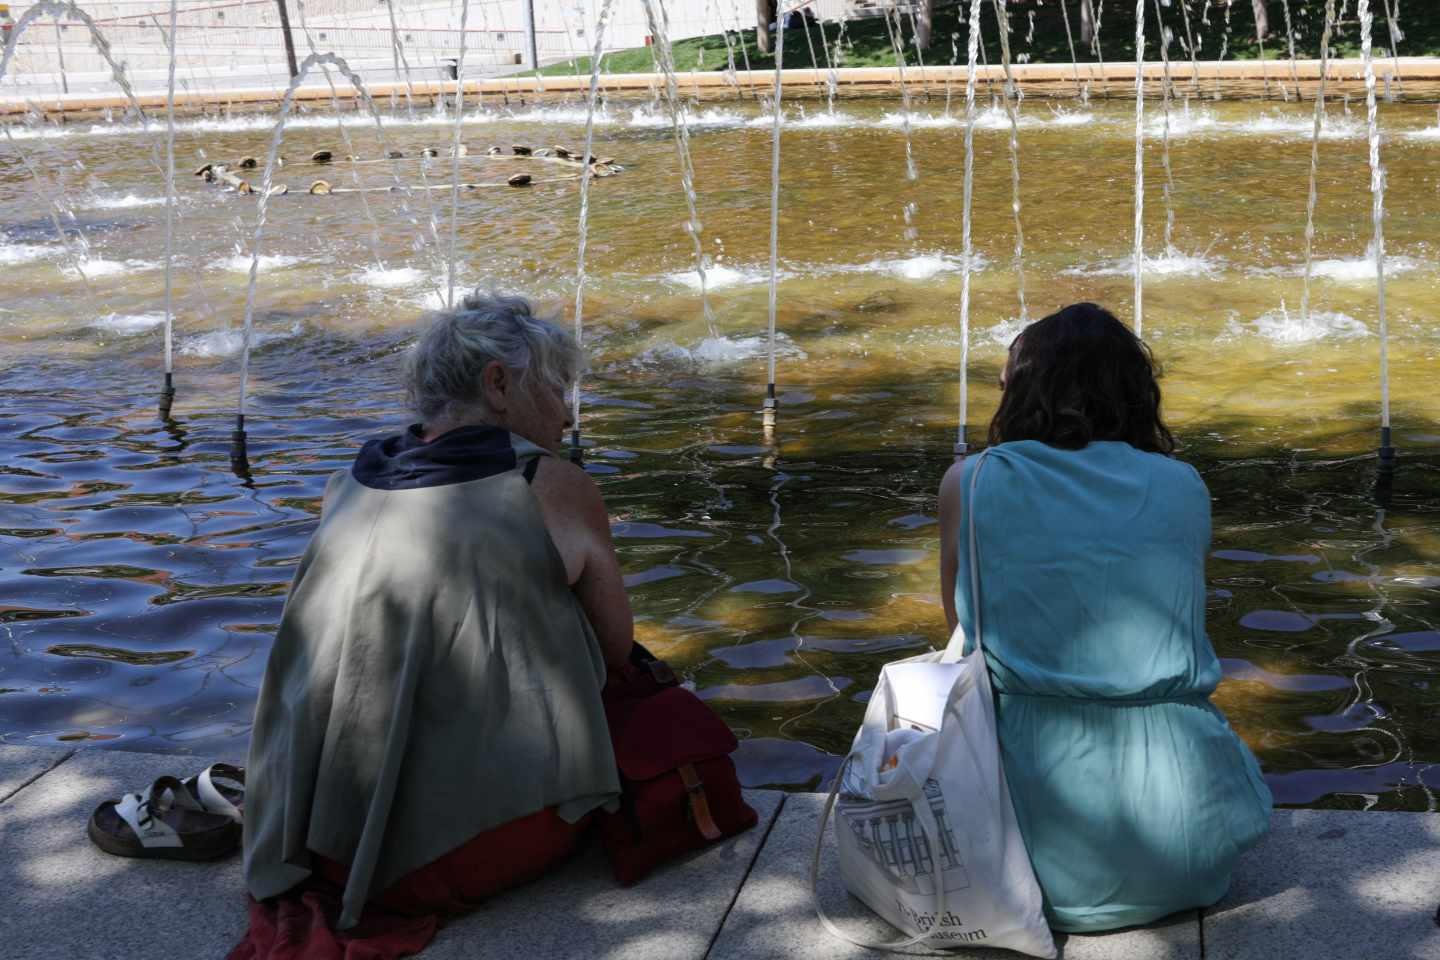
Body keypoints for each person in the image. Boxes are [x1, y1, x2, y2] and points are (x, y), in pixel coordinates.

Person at [231, 292, 634, 960]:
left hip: (306, 832)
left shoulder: (348, 481)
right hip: (462, 851)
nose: (567, 414)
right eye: (559, 389)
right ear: (498, 384)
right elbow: (616, 650)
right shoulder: (552, 484)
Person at [937, 303, 1271, 932]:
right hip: (1188, 844)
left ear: (1025, 390)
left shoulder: (971, 482)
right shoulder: (1184, 483)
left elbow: (960, 624)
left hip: (1027, 846)